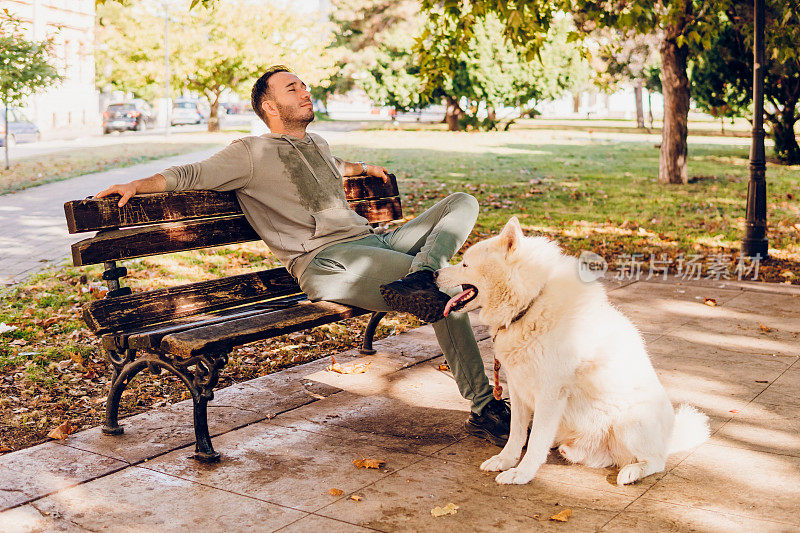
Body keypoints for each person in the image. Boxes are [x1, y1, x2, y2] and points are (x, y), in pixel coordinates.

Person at [95, 65, 510, 445]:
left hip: (375, 244)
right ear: (271, 107)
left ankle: (420, 276)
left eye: (304, 85)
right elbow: (191, 174)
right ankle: (484, 407)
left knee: (462, 201)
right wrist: (138, 183)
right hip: (327, 261)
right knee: (445, 295)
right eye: (293, 88)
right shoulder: (249, 154)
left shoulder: (317, 143)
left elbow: (333, 165)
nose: (305, 91)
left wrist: (365, 169)